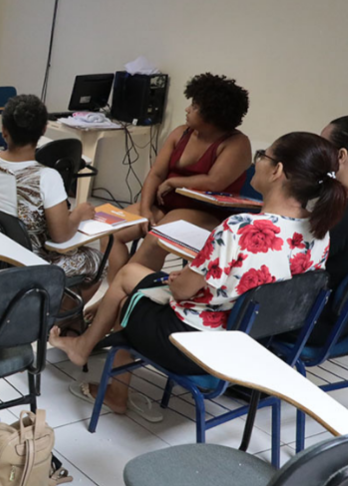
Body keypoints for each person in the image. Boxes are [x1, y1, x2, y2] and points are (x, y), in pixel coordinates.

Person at [50, 132, 347, 415]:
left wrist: (181, 281)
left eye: (262, 156)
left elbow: (182, 292)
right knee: (132, 276)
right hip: (250, 347)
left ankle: (109, 382)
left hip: (194, 345)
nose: (257, 162)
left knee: (128, 293)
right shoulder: (319, 234)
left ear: (277, 171)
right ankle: (87, 349)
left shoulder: (239, 229)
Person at [0, 95, 127, 299]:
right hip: (33, 263)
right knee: (98, 261)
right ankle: (55, 316)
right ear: (44, 130)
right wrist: (79, 213)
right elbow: (61, 235)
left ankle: (42, 310)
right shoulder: (46, 176)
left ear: (4, 131)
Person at [112, 73, 252, 271]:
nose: (187, 109)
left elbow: (214, 182)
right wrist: (145, 209)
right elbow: (156, 174)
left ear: (212, 115)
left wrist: (173, 182)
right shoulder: (181, 132)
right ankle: (118, 286)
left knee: (156, 239)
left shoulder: (237, 143)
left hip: (204, 212)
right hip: (164, 205)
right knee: (112, 232)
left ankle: (129, 287)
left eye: (194, 107)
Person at [309, 117, 348, 345]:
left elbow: (302, 259)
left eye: (323, 147)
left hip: (315, 320)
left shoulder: (343, 213)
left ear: (341, 156)